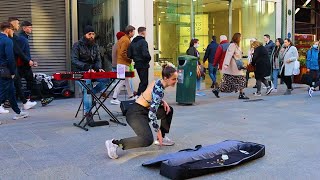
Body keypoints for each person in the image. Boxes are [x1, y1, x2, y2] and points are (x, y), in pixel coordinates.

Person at [105, 65, 177, 159]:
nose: (176, 81)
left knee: (168, 110)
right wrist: (158, 131)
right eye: (174, 79)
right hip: (135, 113)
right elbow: (152, 114)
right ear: (165, 78)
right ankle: (115, 144)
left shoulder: (159, 81)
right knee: (147, 140)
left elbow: (151, 93)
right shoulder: (159, 90)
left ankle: (162, 138)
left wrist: (162, 102)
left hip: (143, 110)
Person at [71, 25, 108, 122]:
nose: (92, 36)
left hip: (92, 71)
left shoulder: (95, 46)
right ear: (85, 35)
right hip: (79, 72)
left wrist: (98, 68)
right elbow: (74, 60)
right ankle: (88, 113)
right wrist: (87, 67)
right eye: (89, 34)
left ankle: (91, 94)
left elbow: (98, 60)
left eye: (93, 34)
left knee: (106, 79)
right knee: (87, 84)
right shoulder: (77, 45)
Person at [17, 21, 54, 106]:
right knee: (21, 83)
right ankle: (7, 101)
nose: (31, 29)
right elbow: (20, 53)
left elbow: (24, 53)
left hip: (24, 64)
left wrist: (31, 61)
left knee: (30, 82)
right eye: (29, 27)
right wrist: (29, 61)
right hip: (22, 65)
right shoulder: (22, 39)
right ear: (24, 28)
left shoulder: (24, 37)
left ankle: (35, 100)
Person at [6, 17, 37, 110]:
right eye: (17, 23)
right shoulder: (9, 36)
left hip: (12, 64)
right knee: (8, 84)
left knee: (16, 83)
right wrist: (28, 61)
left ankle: (24, 103)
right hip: (7, 64)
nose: (18, 25)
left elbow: (18, 50)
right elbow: (18, 51)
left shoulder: (14, 36)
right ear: (12, 23)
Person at [0, 22, 29, 119]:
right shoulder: (7, 41)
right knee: (3, 93)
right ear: (7, 29)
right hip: (5, 70)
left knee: (11, 91)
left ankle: (18, 112)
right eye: (12, 30)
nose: (13, 32)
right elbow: (10, 58)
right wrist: (12, 72)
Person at [212, 33, 249, 99]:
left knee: (228, 81)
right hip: (234, 67)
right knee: (241, 79)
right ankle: (241, 94)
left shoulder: (237, 45)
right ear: (237, 38)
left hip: (235, 67)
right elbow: (228, 55)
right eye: (240, 37)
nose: (241, 39)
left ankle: (217, 90)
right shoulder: (232, 45)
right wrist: (226, 64)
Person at [110, 25, 136, 105]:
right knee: (122, 80)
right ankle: (114, 98)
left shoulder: (123, 39)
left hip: (121, 63)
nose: (134, 33)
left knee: (126, 80)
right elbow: (123, 52)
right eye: (133, 32)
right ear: (130, 32)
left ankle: (131, 96)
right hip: (123, 64)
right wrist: (129, 59)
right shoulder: (126, 40)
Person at [128, 27, 151, 96]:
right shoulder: (143, 42)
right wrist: (149, 58)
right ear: (143, 32)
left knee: (142, 81)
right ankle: (140, 96)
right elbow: (145, 54)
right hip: (143, 64)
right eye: (145, 32)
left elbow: (129, 54)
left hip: (137, 64)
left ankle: (139, 94)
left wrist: (135, 58)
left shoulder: (133, 42)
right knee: (144, 82)